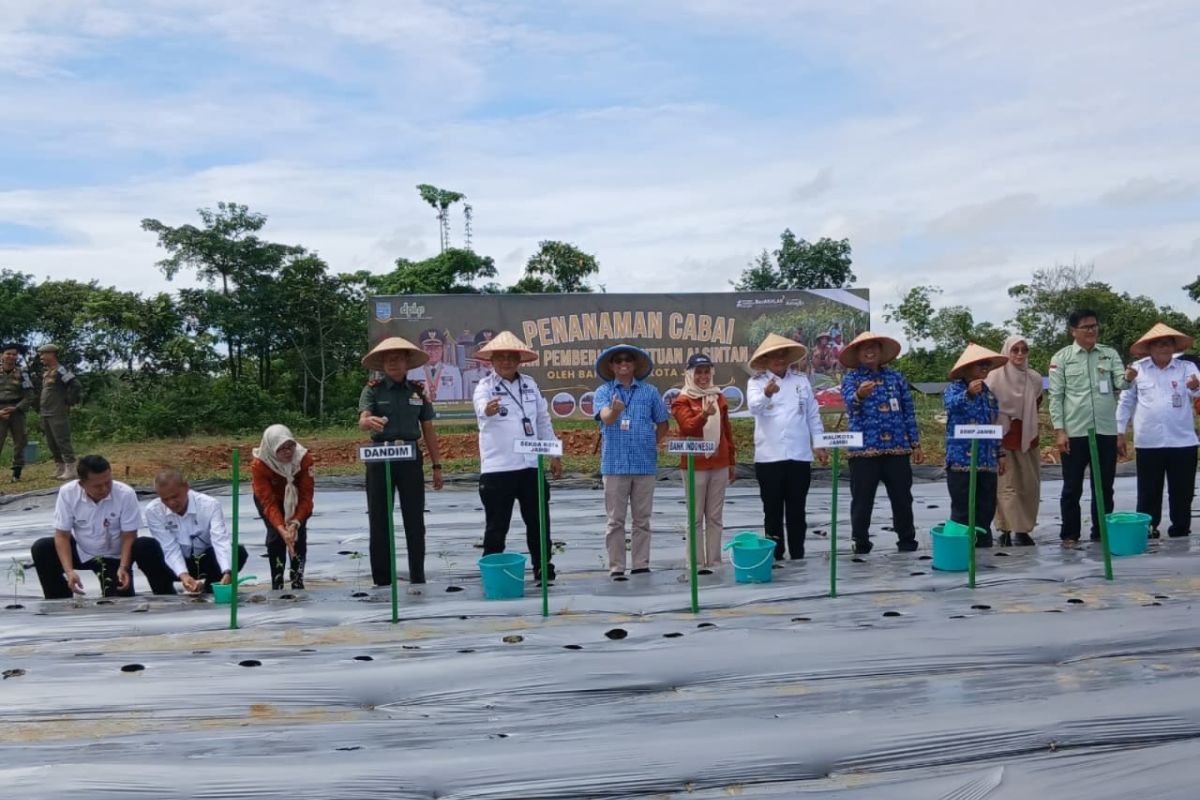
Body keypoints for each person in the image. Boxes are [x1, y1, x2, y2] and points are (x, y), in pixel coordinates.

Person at [473, 331, 561, 582]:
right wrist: (487, 409)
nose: (506, 362)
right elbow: (481, 408)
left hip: (531, 465)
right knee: (497, 525)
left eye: (511, 357)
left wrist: (553, 452)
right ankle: (491, 571)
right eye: (500, 357)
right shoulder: (485, 387)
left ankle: (543, 566)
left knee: (539, 522)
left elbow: (543, 420)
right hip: (498, 468)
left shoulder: (530, 384)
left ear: (519, 360)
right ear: (491, 361)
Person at [358, 337, 445, 588]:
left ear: (408, 362)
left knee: (415, 520)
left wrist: (436, 466)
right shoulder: (373, 389)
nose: (394, 363)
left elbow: (428, 429)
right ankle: (382, 581)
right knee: (379, 519)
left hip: (409, 458)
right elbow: (363, 419)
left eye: (399, 358)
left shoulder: (417, 391)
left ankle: (417, 576)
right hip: (380, 457)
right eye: (389, 359)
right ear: (382, 364)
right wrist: (367, 422)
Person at [1048, 309, 1129, 545]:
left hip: (1105, 430)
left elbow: (1121, 382)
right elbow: (1056, 396)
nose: (1092, 330)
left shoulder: (1109, 354)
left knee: (1104, 487)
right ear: (1074, 331)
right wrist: (1060, 430)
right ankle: (1070, 534)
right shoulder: (1061, 358)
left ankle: (1101, 533)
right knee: (1072, 487)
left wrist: (1131, 376)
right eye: (1086, 327)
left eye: (1095, 325)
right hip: (1075, 432)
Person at [839, 331, 923, 554]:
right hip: (864, 450)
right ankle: (861, 541)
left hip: (897, 448)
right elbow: (850, 405)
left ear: (880, 351)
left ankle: (906, 539)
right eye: (864, 348)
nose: (870, 351)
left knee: (903, 497)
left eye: (874, 347)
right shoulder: (851, 379)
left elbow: (908, 412)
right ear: (858, 354)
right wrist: (859, 395)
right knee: (862, 499)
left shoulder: (896, 378)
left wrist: (915, 443)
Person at [746, 335, 825, 560]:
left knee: (797, 509)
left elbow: (812, 414)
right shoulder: (757, 382)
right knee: (772, 510)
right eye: (773, 356)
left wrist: (818, 443)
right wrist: (767, 393)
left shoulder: (801, 381)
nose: (778, 360)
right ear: (766, 359)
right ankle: (775, 555)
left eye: (782, 355)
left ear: (788, 358)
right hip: (769, 457)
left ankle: (798, 553)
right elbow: (754, 408)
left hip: (799, 454)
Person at [1117, 323, 1200, 538]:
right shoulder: (1137, 369)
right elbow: (1125, 401)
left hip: (1182, 441)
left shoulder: (1187, 368)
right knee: (1148, 490)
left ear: (1174, 348)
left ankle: (1180, 528)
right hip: (1149, 441)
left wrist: (1195, 387)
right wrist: (1119, 432)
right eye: (1159, 344)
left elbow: (1197, 392)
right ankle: (1148, 528)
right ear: (1150, 348)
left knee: (1182, 491)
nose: (1164, 348)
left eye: (1168, 344)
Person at [594, 343, 669, 578]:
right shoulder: (604, 392)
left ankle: (640, 564)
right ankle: (616, 567)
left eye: (627, 360)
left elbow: (663, 422)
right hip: (615, 464)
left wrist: (650, 442)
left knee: (642, 520)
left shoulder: (650, 392)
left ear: (635, 364)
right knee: (615, 520)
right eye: (618, 361)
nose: (623, 364)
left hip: (644, 464)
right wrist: (615, 411)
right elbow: (605, 418)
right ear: (611, 366)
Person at [30, 454, 141, 599]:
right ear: (82, 484)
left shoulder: (126, 494)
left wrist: (123, 567)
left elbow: (129, 536)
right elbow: (62, 535)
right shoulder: (68, 493)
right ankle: (58, 597)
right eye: (97, 486)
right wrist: (69, 571)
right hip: (81, 551)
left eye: (108, 482)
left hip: (113, 556)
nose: (104, 489)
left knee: (119, 599)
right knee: (42, 547)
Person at [134, 468, 250, 594]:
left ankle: (213, 589)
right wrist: (183, 575)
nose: (171, 503)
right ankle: (164, 593)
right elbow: (168, 547)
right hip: (172, 564)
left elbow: (220, 540)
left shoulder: (210, 505)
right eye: (165, 499)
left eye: (175, 496)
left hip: (204, 560)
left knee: (237, 552)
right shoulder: (153, 510)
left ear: (186, 487)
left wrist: (227, 570)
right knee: (142, 546)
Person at [671, 353, 737, 568]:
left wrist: (732, 461)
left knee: (715, 517)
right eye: (698, 372)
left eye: (706, 371)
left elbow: (726, 430)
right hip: (694, 465)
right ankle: (696, 563)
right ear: (689, 374)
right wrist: (704, 415)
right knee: (696, 516)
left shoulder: (718, 397)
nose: (703, 376)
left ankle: (715, 561)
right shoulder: (682, 399)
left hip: (719, 462)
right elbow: (688, 427)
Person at [943, 344, 1009, 548]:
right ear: (966, 368)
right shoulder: (954, 389)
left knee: (986, 506)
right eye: (980, 364)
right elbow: (951, 405)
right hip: (961, 461)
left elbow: (993, 424)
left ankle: (983, 543)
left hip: (986, 461)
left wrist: (1000, 453)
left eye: (987, 365)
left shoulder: (989, 395)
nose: (985, 368)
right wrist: (969, 394)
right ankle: (961, 546)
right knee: (962, 507)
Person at [985, 335, 1044, 546]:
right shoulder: (993, 377)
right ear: (1006, 352)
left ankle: (1023, 530)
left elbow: (1036, 408)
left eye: (1024, 350)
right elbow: (988, 411)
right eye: (1015, 350)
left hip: (1027, 437)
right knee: (1006, 486)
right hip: (1001, 439)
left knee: (1029, 485)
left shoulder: (1035, 379)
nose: (1019, 354)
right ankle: (1006, 529)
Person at [251, 424, 314, 590]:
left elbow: (307, 497)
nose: (288, 452)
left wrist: (295, 523)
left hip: (297, 500)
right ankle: (277, 582)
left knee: (298, 536)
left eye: (290, 446)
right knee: (276, 538)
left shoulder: (304, 459)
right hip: (271, 501)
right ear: (272, 449)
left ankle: (297, 579)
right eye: (281, 448)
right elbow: (267, 501)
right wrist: (281, 527)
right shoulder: (260, 465)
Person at [36, 343, 82, 480]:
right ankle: (60, 467)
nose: (41, 357)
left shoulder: (61, 370)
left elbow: (76, 386)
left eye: (43, 354)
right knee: (51, 441)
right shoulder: (47, 372)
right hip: (46, 412)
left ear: (52, 354)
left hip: (57, 411)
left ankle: (71, 468)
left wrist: (68, 402)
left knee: (62, 440)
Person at [0, 343, 35, 482]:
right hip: (0, 410)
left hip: (17, 410)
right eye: (8, 353)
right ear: (2, 355)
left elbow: (30, 395)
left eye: (14, 354)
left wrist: (17, 408)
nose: (11, 357)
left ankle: (16, 473)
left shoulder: (22, 373)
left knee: (20, 441)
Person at [418, 328, 463, 401]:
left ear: (442, 349)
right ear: (422, 350)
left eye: (436, 348)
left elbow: (458, 399)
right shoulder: (412, 372)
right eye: (428, 348)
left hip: (447, 411)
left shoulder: (453, 372)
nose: (432, 352)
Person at [462, 329, 497, 399]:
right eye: (484, 349)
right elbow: (464, 404)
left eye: (491, 349)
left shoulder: (506, 375)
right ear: (478, 352)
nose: (488, 353)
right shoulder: (468, 376)